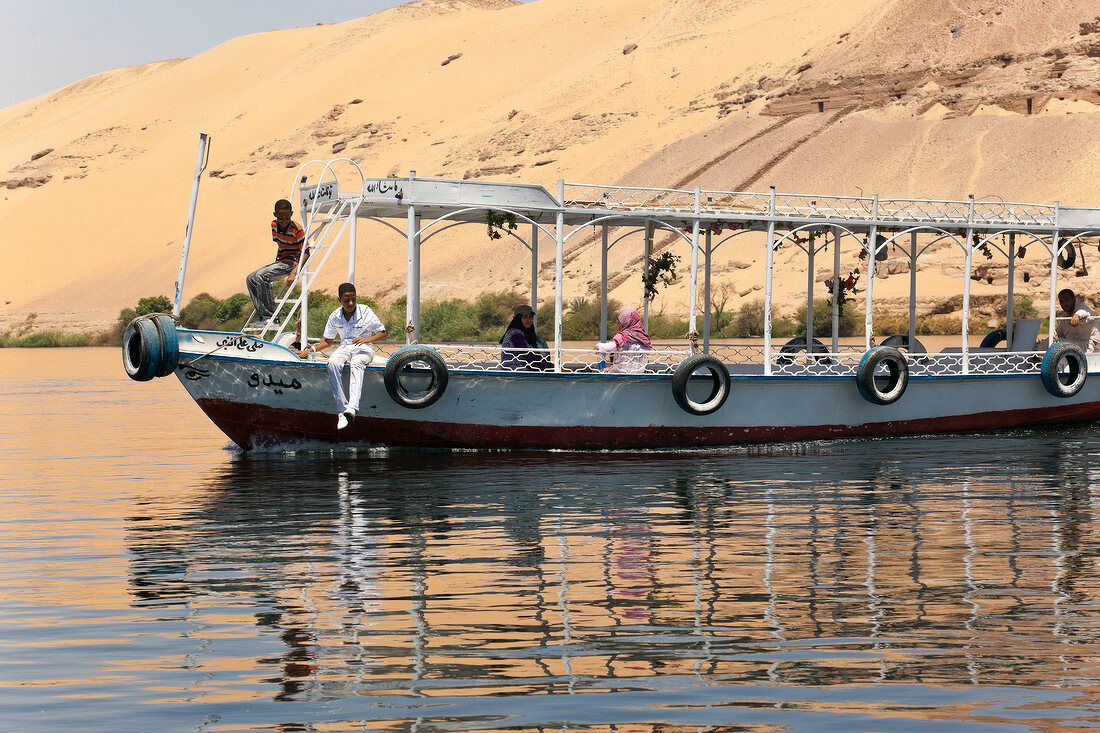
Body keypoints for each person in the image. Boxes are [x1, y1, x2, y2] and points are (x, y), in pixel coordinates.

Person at [296, 283, 388, 429]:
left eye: (353, 299)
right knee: (332, 362)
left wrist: (367, 339)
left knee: (357, 363)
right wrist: (308, 351)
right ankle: (342, 410)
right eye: (346, 301)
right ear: (340, 300)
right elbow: (328, 341)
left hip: (364, 348)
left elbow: (383, 332)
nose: (350, 303)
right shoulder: (335, 316)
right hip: (344, 347)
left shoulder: (366, 311)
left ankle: (352, 408)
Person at [246, 199, 309, 326]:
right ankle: (263, 316)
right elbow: (281, 246)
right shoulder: (274, 226)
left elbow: (306, 253)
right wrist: (275, 264)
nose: (284, 221)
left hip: (293, 262)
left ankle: (272, 318)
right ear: (275, 215)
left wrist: (294, 272)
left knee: (261, 276)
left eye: (287, 218)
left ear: (291, 214)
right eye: (281, 218)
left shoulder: (296, 229)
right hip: (282, 261)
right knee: (251, 278)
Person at [596, 308, 652, 374]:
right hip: (638, 374)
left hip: (620, 374)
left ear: (626, 322)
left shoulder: (622, 336)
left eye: (620, 322)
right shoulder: (644, 338)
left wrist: (598, 345)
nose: (618, 324)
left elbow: (608, 348)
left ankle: (602, 370)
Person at [499, 304, 551, 371]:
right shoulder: (515, 334)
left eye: (530, 317)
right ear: (518, 318)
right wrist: (550, 366)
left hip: (526, 366)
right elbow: (527, 354)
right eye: (524, 317)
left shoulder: (528, 333)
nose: (528, 320)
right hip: (513, 369)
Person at [1055, 288, 1100, 352]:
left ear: (1074, 299)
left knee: (1057, 344)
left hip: (1087, 345)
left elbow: (1084, 312)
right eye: (1061, 301)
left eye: (1067, 300)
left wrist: (1077, 316)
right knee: (1049, 342)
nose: (1064, 303)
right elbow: (1058, 333)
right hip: (1074, 345)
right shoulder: (1065, 318)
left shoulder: (1081, 308)